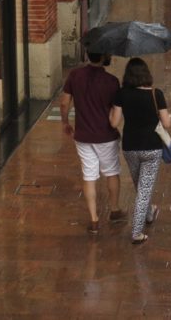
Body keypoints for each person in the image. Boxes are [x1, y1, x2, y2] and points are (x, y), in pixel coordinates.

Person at [60, 52, 126, 235]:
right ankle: (114, 209)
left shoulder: (75, 75)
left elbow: (65, 103)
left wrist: (65, 122)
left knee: (89, 175)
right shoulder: (112, 81)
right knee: (112, 172)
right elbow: (115, 111)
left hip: (83, 135)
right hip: (106, 135)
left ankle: (94, 219)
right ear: (104, 56)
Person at [109, 57, 171, 244]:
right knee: (144, 189)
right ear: (147, 74)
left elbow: (114, 122)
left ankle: (150, 212)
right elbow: (166, 123)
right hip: (152, 148)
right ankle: (137, 232)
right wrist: (168, 116)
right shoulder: (156, 94)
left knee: (141, 185)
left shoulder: (121, 94)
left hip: (130, 147)